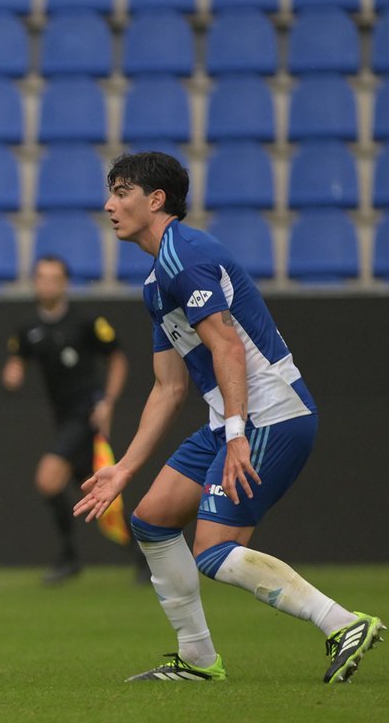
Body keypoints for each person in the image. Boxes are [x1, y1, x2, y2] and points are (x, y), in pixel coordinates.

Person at [76, 151, 383, 683]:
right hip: (230, 419)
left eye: (122, 192)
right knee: (151, 520)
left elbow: (230, 350)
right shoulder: (157, 281)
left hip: (270, 416)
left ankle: (341, 623)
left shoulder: (186, 255)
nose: (109, 205)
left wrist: (238, 434)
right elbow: (169, 387)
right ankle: (197, 660)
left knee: (214, 551)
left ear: (156, 201)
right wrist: (125, 468)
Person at [3, 255, 136, 585]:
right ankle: (145, 556)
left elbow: (118, 359)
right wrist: (14, 371)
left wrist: (108, 401)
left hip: (86, 415)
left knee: (48, 480)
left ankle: (69, 556)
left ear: (65, 283)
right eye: (41, 277)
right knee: (100, 493)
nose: (47, 283)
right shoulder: (28, 330)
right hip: (62, 418)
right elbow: (18, 359)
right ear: (34, 282)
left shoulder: (85, 322)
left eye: (54, 278)